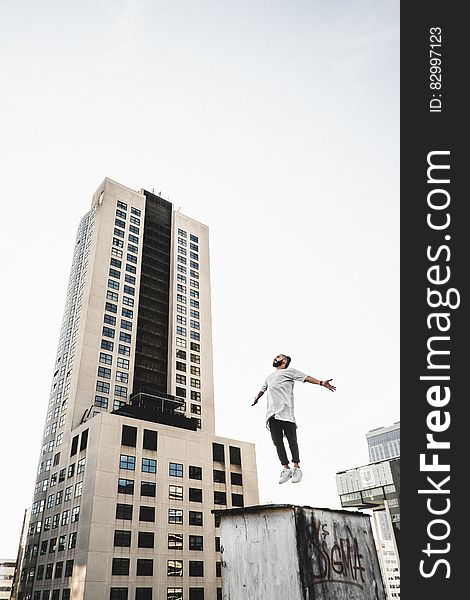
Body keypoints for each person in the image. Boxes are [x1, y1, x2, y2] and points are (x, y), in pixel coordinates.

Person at [252, 354, 336, 484]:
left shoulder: (290, 372)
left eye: (278, 357)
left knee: (292, 441)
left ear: (284, 361)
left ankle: (297, 467)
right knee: (277, 442)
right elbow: (263, 389)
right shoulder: (269, 377)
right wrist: (257, 398)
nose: (275, 359)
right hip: (272, 414)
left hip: (286, 413)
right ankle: (286, 469)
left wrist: (320, 383)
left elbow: (306, 378)